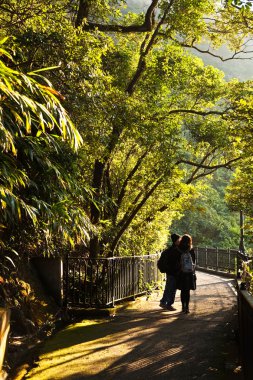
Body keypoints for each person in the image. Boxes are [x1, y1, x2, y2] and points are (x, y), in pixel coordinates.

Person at [159, 233, 181, 311]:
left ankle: (163, 302)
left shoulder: (169, 250)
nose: (180, 241)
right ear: (176, 241)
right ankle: (169, 304)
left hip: (169, 272)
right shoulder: (176, 250)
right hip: (174, 272)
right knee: (172, 289)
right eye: (179, 240)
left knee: (168, 288)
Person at [176, 234, 196, 314]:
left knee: (182, 290)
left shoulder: (178, 249)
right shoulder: (191, 249)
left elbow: (177, 262)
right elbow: (194, 261)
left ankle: (183, 307)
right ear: (189, 241)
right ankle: (187, 307)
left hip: (181, 273)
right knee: (187, 291)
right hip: (189, 273)